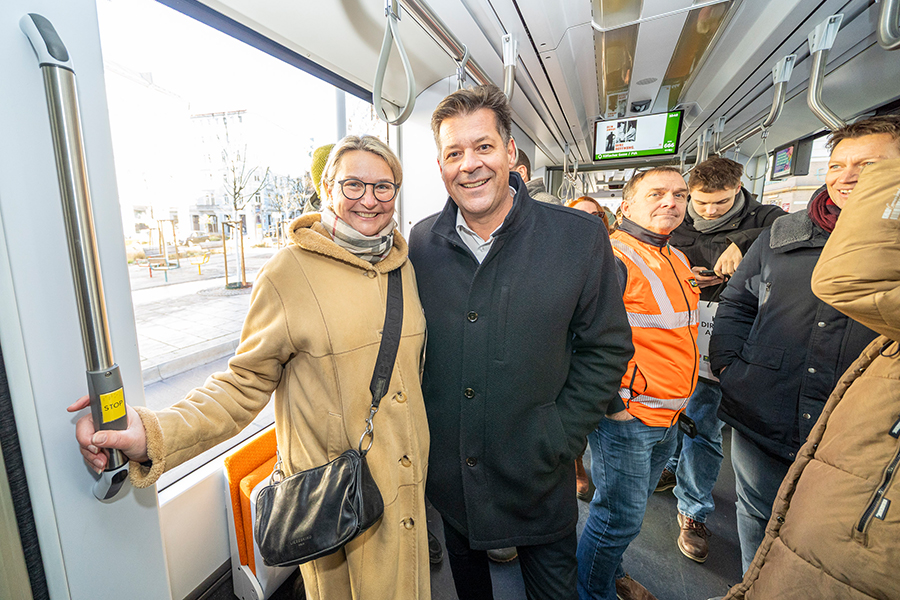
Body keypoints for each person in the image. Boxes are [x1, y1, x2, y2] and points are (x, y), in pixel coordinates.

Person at [69, 136, 432, 600]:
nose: (369, 199)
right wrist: (150, 432)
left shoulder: (403, 267)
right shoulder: (289, 273)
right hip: (342, 501)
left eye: (383, 186)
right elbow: (241, 385)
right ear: (327, 189)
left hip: (408, 486)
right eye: (353, 184)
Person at [409, 84, 633, 600]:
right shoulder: (421, 243)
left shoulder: (578, 237)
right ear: (441, 167)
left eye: (484, 146)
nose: (470, 164)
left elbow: (606, 348)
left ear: (510, 152)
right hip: (452, 476)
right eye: (454, 153)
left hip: (538, 472)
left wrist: (560, 436)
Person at [709, 115, 900, 573]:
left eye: (868, 165)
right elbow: (738, 302)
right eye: (836, 165)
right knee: (756, 514)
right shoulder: (782, 234)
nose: (846, 177)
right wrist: (732, 368)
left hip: (860, 429)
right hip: (765, 408)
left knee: (835, 546)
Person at [577, 167, 700, 600]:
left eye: (680, 195)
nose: (671, 202)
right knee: (617, 519)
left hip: (669, 414)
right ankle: (593, 592)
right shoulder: (614, 257)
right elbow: (583, 337)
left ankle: (610, 574)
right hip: (629, 417)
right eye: (657, 193)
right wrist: (614, 406)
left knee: (628, 513)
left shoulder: (676, 258)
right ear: (626, 206)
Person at [660, 157, 785, 564]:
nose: (710, 212)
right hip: (677, 336)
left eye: (721, 203)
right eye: (701, 203)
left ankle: (693, 509)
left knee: (703, 424)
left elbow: (795, 229)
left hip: (725, 337)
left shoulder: (766, 220)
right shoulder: (677, 223)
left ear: (739, 190)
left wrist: (743, 243)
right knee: (674, 417)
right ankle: (674, 467)